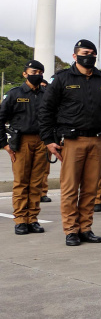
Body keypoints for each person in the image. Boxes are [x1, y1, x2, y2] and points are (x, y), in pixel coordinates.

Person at [39, 40, 101, 246]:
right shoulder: (62, 79)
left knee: (90, 188)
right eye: (84, 52)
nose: (88, 55)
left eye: (92, 53)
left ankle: (85, 228)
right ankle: (71, 230)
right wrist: (48, 139)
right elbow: (46, 110)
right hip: (72, 140)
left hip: (98, 140)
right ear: (75, 56)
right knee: (71, 188)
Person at [0, 60, 49, 234]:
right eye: (34, 71)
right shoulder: (14, 94)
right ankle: (21, 219)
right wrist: (4, 144)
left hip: (42, 141)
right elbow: (1, 118)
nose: (37, 74)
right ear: (25, 73)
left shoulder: (47, 93)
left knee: (36, 183)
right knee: (21, 182)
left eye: (40, 72)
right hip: (22, 142)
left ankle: (32, 219)